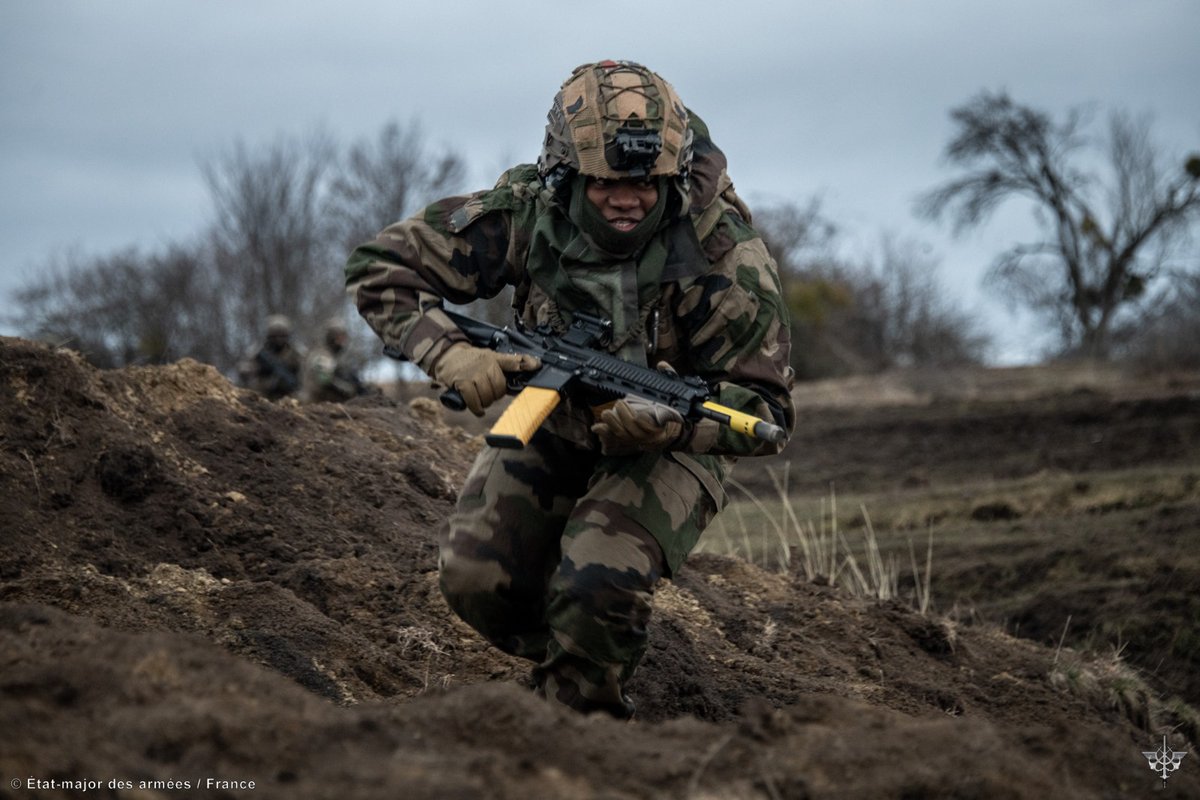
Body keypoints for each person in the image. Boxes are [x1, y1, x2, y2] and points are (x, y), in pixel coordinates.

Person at [346, 60, 795, 719]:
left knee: (595, 579)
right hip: (553, 414)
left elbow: (767, 410)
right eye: (605, 182)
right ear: (564, 172)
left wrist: (670, 424)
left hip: (670, 440)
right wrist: (449, 353)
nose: (626, 199)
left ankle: (585, 728)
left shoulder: (723, 256)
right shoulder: (528, 214)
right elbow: (380, 268)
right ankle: (582, 654)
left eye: (645, 183)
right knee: (476, 581)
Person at [238, 314, 304, 400]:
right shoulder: (259, 352)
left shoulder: (297, 352)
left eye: (282, 335)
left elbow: (305, 371)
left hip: (291, 394)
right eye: (275, 336)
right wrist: (256, 369)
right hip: (263, 394)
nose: (279, 339)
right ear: (269, 336)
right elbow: (245, 367)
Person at [301, 317, 369, 402]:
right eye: (339, 338)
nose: (342, 342)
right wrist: (349, 389)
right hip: (318, 401)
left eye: (343, 337)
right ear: (331, 337)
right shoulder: (322, 355)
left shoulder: (332, 355)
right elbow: (324, 380)